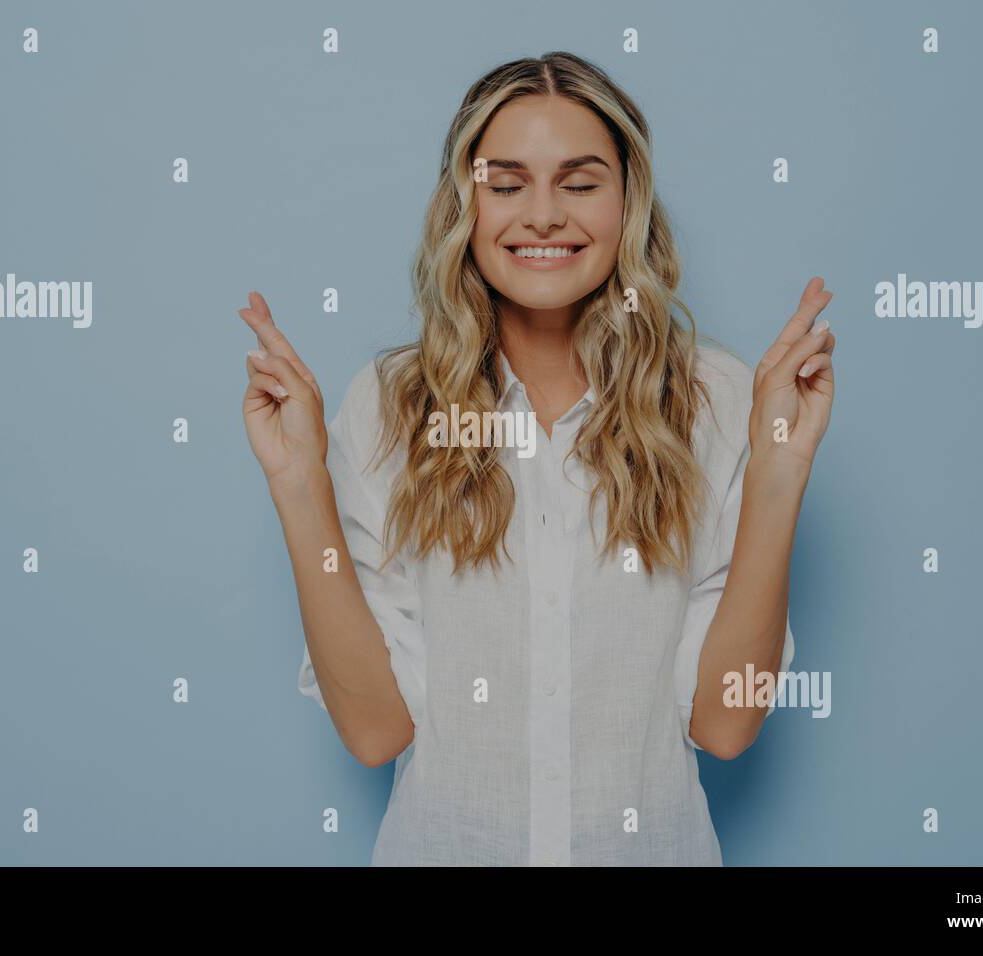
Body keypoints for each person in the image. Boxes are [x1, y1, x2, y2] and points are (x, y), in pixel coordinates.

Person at [238, 51, 836, 866]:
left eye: (582, 183)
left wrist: (780, 467)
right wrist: (297, 481)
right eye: (506, 182)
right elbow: (375, 732)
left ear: (629, 204)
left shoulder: (723, 401)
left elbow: (728, 725)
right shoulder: (387, 404)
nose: (544, 215)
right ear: (464, 206)